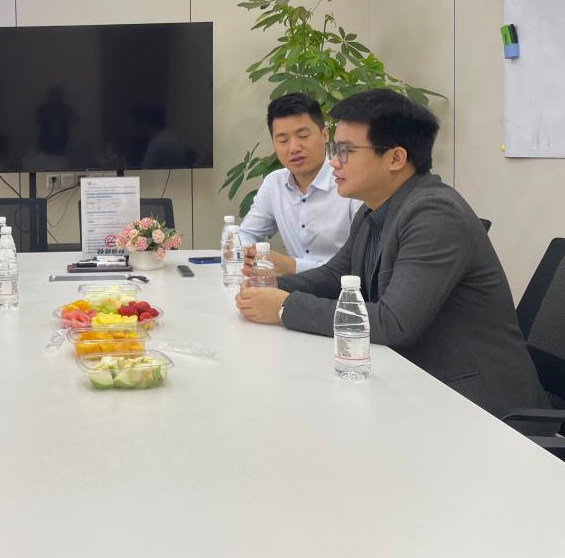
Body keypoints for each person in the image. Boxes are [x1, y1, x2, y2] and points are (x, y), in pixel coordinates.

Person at [235, 89, 549, 420]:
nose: (334, 162)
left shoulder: (434, 213)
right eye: (334, 150)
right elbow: (334, 275)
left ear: (396, 159)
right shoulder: (373, 210)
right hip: (415, 384)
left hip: (481, 409)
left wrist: (284, 307)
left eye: (346, 151)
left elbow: (393, 322)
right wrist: (272, 287)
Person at [239, 93, 360, 276]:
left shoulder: (351, 183)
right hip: (291, 288)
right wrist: (252, 254)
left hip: (342, 289)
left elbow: (360, 262)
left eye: (303, 136)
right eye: (283, 140)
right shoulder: (274, 183)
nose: (294, 148)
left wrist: (293, 266)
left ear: (324, 135)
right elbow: (246, 233)